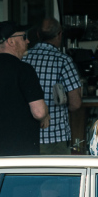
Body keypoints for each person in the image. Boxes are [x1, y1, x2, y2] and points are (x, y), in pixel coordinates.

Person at [0, 21, 47, 156]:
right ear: (11, 42)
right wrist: (46, 114)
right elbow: (39, 112)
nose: (28, 41)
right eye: (24, 37)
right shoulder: (24, 70)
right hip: (21, 155)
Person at [24, 18, 83, 155]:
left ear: (38, 35)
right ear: (59, 35)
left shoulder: (24, 58)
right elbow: (75, 103)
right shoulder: (63, 60)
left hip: (28, 135)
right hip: (56, 136)